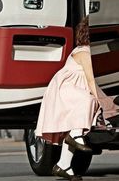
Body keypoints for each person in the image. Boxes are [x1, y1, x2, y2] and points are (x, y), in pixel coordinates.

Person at [35, 16, 119, 181]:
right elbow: (90, 81)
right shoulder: (84, 52)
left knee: (74, 126)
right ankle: (75, 136)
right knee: (88, 103)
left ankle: (63, 165)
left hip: (73, 90)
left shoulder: (85, 51)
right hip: (65, 90)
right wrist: (106, 104)